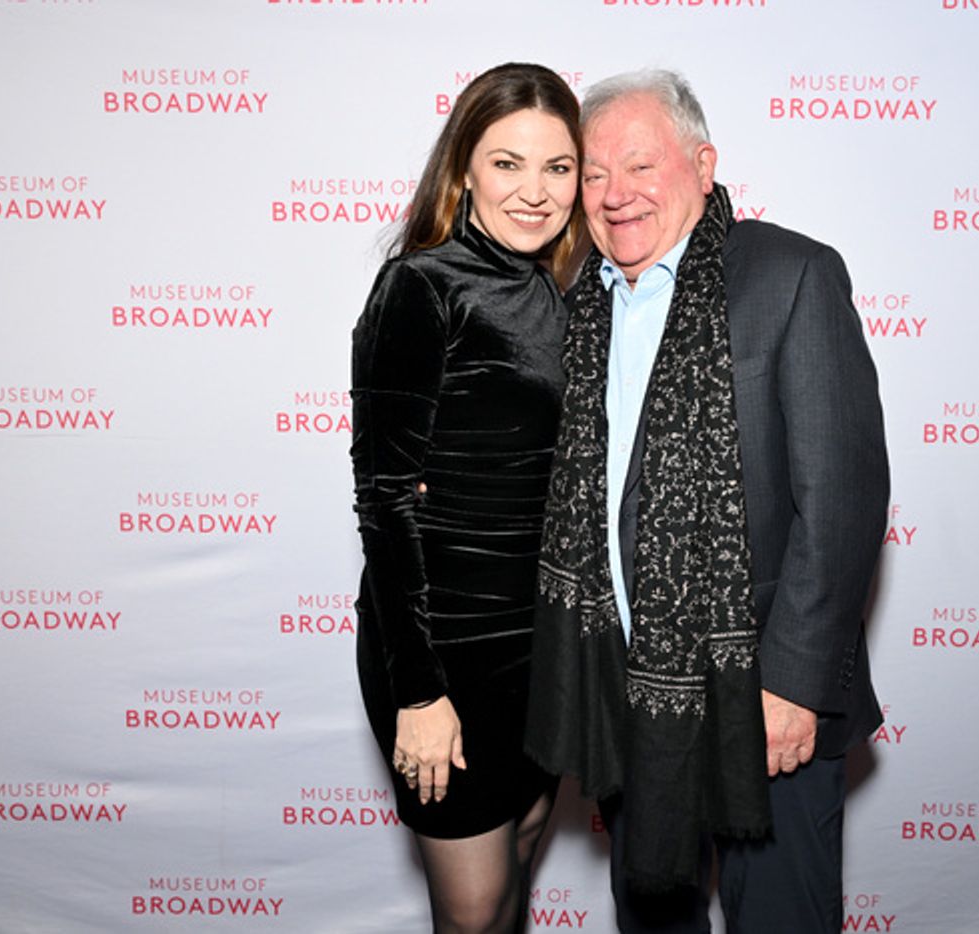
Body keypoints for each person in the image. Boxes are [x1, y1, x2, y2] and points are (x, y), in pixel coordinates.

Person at [526, 69, 889, 933]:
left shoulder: (789, 274)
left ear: (702, 163)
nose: (616, 196)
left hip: (762, 697)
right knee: (653, 918)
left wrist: (796, 686)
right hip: (631, 698)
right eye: (597, 173)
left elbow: (840, 499)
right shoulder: (578, 300)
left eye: (641, 167)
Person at [350, 62, 582, 933]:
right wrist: (418, 692)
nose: (535, 190)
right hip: (444, 650)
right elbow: (385, 498)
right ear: (464, 171)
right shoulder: (422, 286)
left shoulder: (564, 295)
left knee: (520, 860)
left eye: (558, 167)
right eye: (508, 163)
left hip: (541, 648)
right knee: (476, 911)